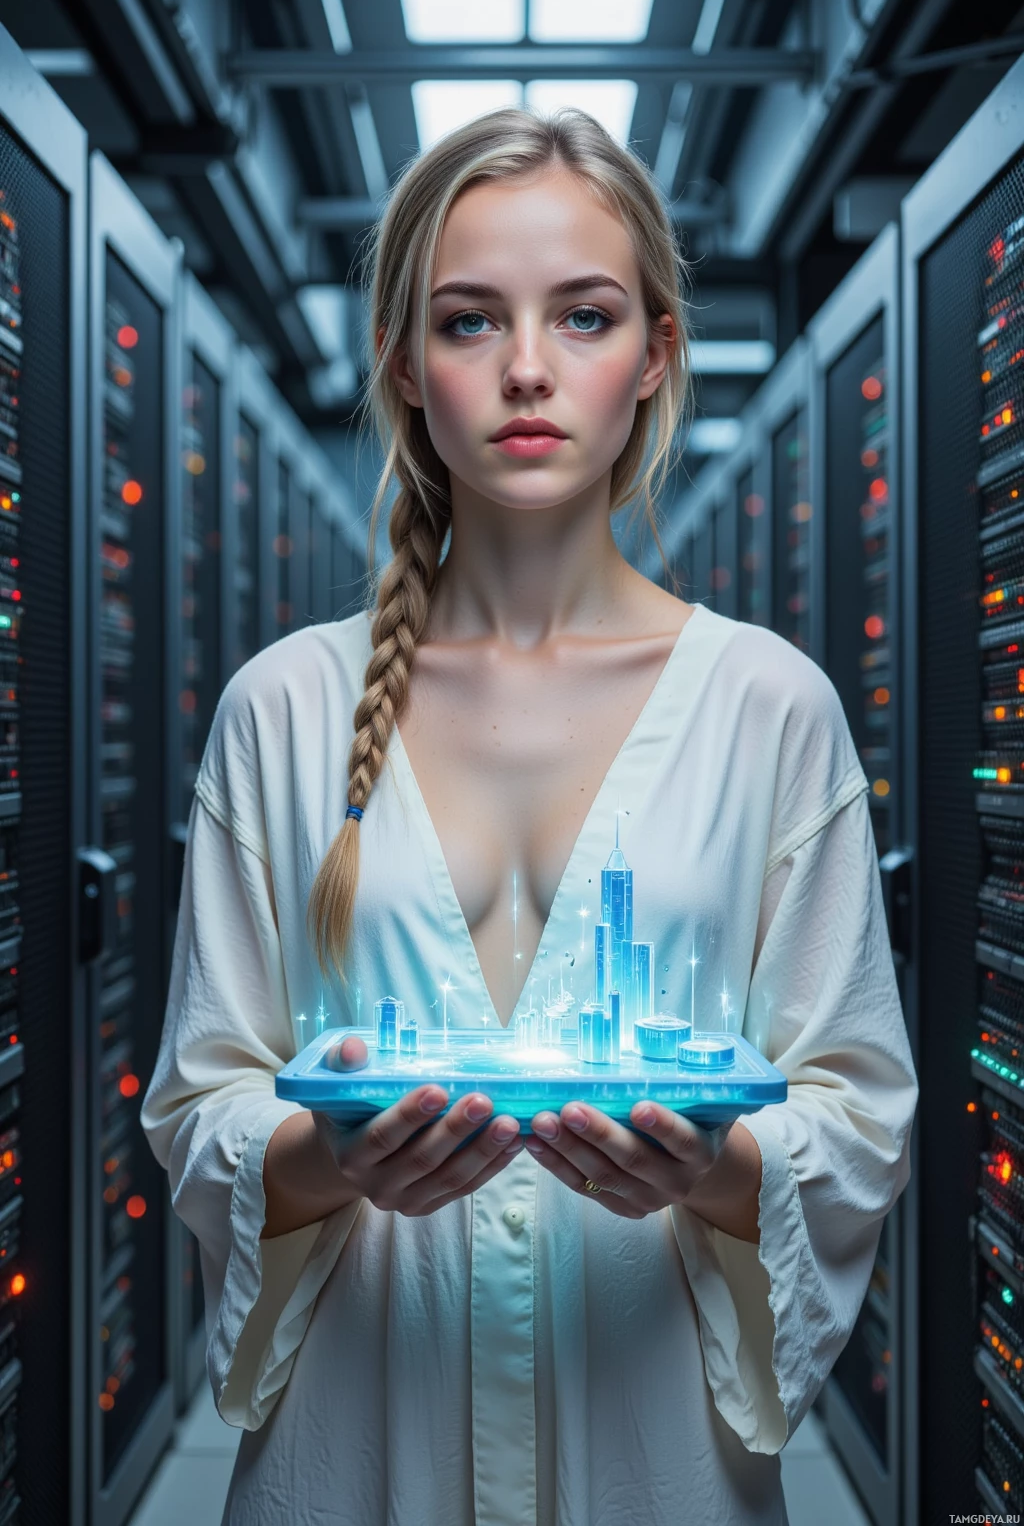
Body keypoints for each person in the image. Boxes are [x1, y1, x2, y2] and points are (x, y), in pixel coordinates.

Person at [142, 107, 918, 1526]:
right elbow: (200, 1106)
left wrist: (722, 1163)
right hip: (356, 1454)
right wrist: (333, 1156)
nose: (525, 369)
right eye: (466, 321)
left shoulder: (769, 709)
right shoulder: (286, 710)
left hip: (655, 1454)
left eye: (583, 314)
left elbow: (862, 1118)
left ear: (657, 355)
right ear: (401, 366)